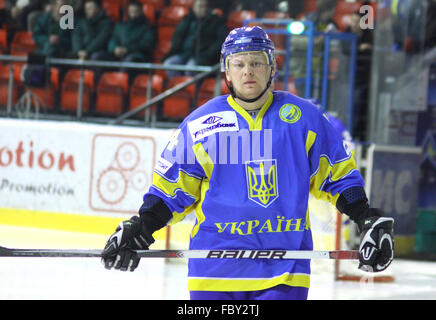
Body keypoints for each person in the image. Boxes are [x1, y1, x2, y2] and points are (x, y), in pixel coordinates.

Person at [101, 26, 394, 300]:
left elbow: (339, 177)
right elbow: (172, 190)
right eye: (238, 64)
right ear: (226, 70)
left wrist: (365, 217)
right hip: (214, 268)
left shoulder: (304, 118)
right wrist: (142, 226)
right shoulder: (201, 124)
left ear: (272, 67)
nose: (248, 71)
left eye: (256, 62)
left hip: (283, 269)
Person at [162, 0, 227, 78]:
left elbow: (220, 42)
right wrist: (175, 49)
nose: (202, 9)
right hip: (183, 54)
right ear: (194, 7)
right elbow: (177, 36)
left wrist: (208, 54)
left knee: (190, 68)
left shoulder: (216, 21)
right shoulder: (187, 19)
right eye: (199, 6)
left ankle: (190, 89)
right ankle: (178, 85)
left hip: (202, 57)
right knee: (168, 64)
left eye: (204, 6)